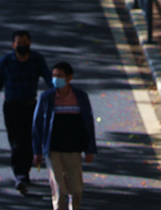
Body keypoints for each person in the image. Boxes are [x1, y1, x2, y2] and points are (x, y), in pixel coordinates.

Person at [0, 30, 50, 195]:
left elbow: (48, 78)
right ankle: (20, 176)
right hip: (12, 107)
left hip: (31, 106)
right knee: (17, 143)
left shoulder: (37, 60)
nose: (22, 46)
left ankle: (25, 173)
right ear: (13, 45)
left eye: (25, 43)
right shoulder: (7, 61)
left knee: (31, 140)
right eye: (19, 44)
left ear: (30, 44)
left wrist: (57, 96)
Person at [32, 62, 97, 210]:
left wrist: (90, 149)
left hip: (73, 149)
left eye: (59, 76)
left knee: (76, 189)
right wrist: (37, 151)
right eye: (54, 76)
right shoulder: (47, 98)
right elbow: (37, 125)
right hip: (53, 149)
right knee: (59, 191)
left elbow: (88, 123)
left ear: (69, 78)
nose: (55, 79)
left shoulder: (80, 97)